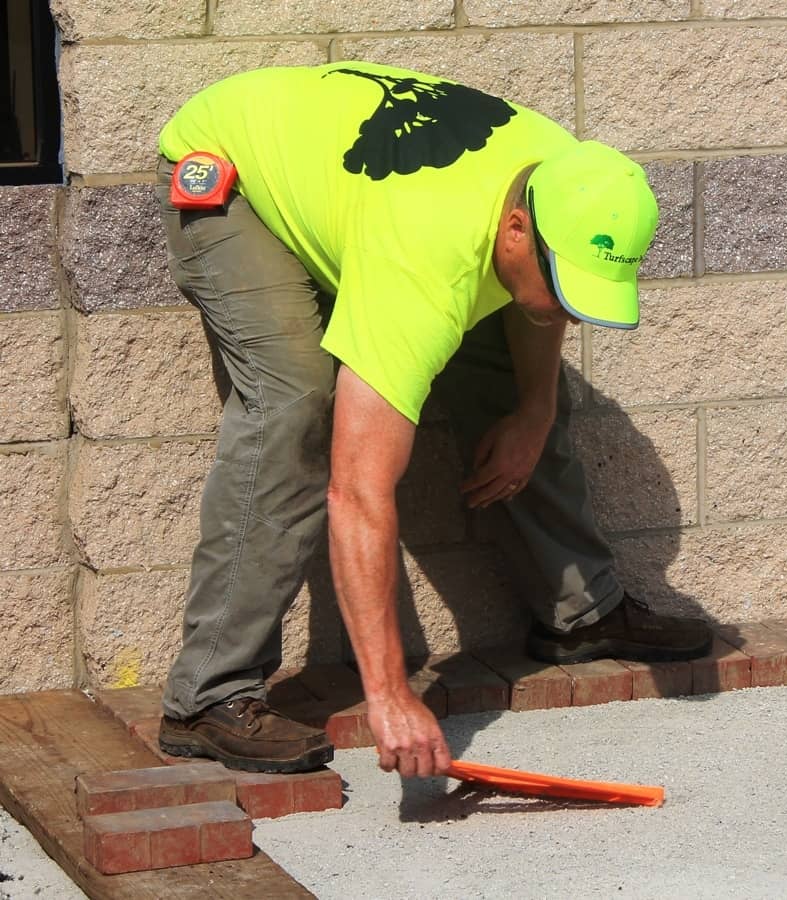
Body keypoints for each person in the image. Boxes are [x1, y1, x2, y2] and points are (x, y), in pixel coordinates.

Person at [153, 61, 712, 781]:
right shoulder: (425, 261)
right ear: (515, 229)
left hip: (368, 189)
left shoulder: (573, 185)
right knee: (294, 404)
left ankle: (581, 614)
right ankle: (208, 697)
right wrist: (388, 696)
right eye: (566, 286)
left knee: (520, 362)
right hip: (230, 169)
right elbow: (358, 493)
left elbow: (539, 304)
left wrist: (534, 410)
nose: (570, 311)